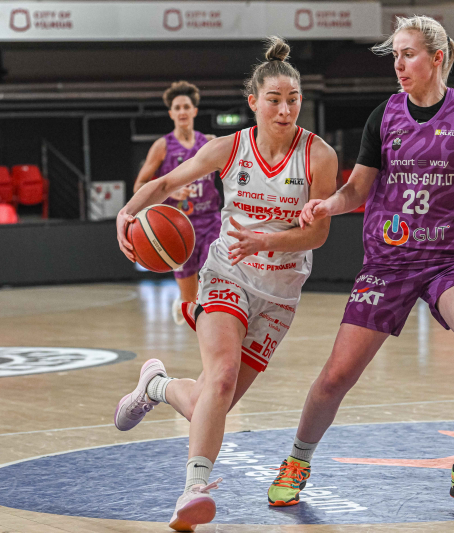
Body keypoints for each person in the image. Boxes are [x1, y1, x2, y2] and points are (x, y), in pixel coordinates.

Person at [267, 15, 454, 509]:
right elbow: (357, 189)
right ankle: (297, 461)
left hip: (451, 256)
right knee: (337, 375)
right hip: (389, 260)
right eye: (395, 55)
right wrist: (328, 205)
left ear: (437, 58)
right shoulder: (384, 116)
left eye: (408, 54)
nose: (399, 65)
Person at [113, 37, 337, 531]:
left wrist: (267, 241)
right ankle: (193, 490)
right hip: (226, 273)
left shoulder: (318, 156)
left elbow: (319, 234)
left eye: (293, 100)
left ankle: (156, 385)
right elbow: (164, 184)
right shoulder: (229, 148)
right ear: (253, 102)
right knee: (220, 377)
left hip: (280, 294)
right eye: (274, 100)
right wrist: (127, 213)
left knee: (209, 404)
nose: (285, 110)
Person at [132, 81, 221, 324]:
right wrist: (172, 191)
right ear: (171, 113)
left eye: (186, 107)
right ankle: (184, 302)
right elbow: (139, 186)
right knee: (190, 299)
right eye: (177, 108)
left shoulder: (209, 142)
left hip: (211, 219)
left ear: (194, 111)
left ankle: (214, 325)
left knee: (214, 276)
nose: (182, 111)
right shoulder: (162, 146)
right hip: (178, 226)